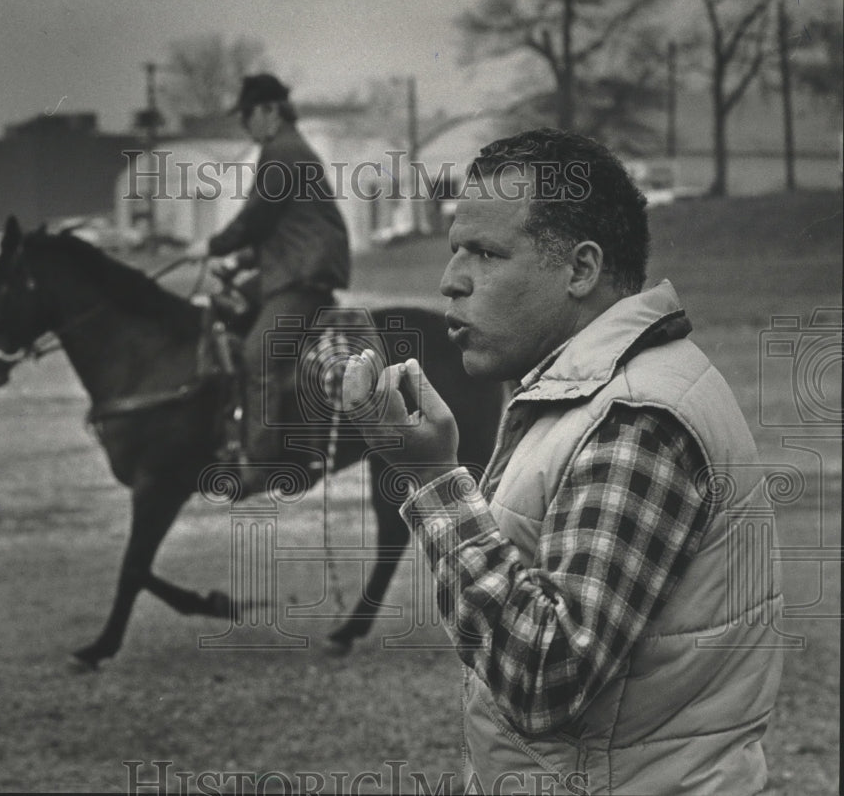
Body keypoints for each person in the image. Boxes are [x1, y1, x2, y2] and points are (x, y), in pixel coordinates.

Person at [343, 129, 783, 795]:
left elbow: (547, 674)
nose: (450, 281)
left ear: (580, 270)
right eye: (455, 249)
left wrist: (433, 477)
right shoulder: (590, 395)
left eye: (486, 253)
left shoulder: (637, 419)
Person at [185, 73, 350, 490]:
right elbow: (278, 228)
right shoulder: (284, 151)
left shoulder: (284, 152)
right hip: (289, 268)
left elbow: (256, 219)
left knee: (260, 353)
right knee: (226, 317)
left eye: (247, 116)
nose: (246, 126)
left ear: (270, 111)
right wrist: (237, 260)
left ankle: (261, 462)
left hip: (302, 277)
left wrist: (214, 245)